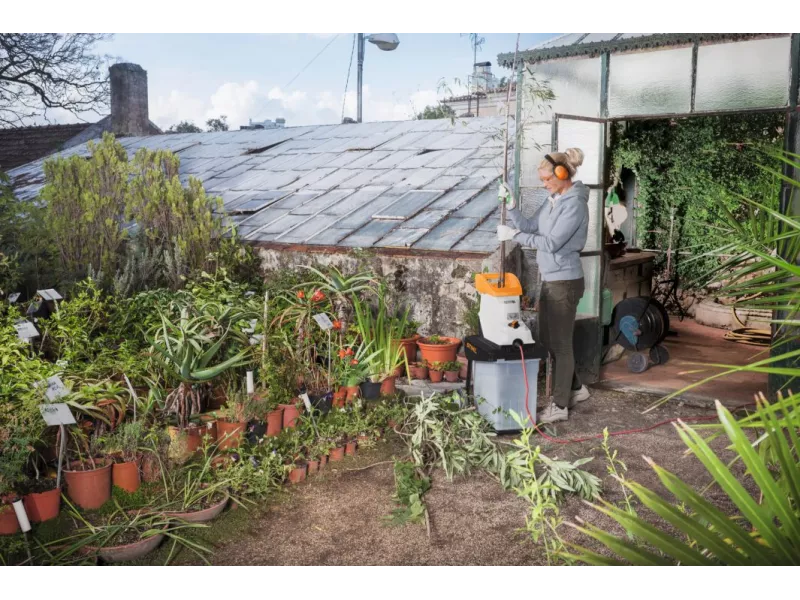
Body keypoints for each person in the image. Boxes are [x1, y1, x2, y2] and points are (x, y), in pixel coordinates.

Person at [496, 148, 591, 423]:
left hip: (565, 281)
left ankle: (560, 406)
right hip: (551, 279)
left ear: (563, 174)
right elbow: (530, 226)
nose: (544, 184)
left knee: (561, 345)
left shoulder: (574, 204)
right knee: (549, 340)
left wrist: (515, 235)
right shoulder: (554, 200)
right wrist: (512, 208)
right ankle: (577, 388)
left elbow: (551, 243)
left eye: (547, 179)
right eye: (542, 180)